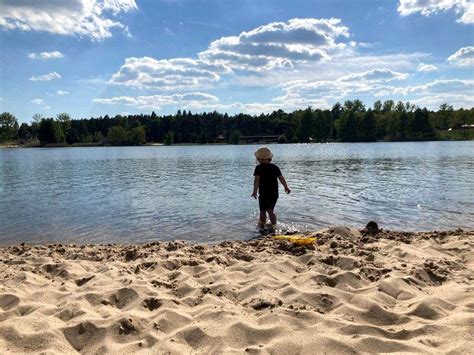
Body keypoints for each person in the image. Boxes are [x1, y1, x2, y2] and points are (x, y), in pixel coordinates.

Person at [251, 146, 290, 231]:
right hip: (274, 194)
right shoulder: (274, 167)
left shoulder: (258, 168)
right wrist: (286, 187)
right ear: (269, 158)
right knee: (270, 210)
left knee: (262, 211)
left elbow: (256, 180)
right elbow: (281, 178)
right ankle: (274, 226)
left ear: (260, 159)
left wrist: (254, 191)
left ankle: (261, 226)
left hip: (263, 193)